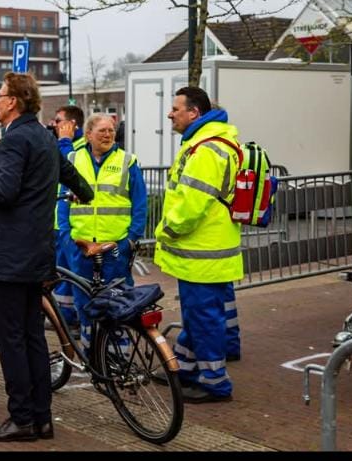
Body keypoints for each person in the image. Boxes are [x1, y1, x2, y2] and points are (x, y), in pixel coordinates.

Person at [0, 72, 94, 443]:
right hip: (40, 253)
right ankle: (42, 418)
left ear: (14, 102)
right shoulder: (45, 137)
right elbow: (83, 189)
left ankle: (21, 419)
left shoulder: (12, 142)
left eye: (0, 95)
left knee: (12, 340)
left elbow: (4, 191)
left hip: (12, 256)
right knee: (32, 337)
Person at [153, 86, 242, 404]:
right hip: (206, 249)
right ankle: (188, 370)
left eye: (176, 108)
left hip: (201, 251)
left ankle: (215, 383)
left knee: (204, 318)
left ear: (194, 113)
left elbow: (193, 202)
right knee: (197, 316)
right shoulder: (210, 142)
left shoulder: (206, 149)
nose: (170, 114)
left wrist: (168, 230)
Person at [65, 114, 147, 350]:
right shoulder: (73, 159)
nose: (108, 134)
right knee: (84, 301)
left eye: (111, 130)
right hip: (81, 247)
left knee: (118, 300)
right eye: (102, 130)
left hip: (115, 248)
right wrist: (68, 239)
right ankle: (91, 352)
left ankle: (119, 354)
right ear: (88, 134)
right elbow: (63, 204)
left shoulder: (127, 161)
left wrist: (130, 241)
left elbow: (140, 204)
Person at [52, 105, 87, 328]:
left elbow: (68, 168)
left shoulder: (78, 148)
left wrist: (64, 141)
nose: (54, 125)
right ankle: (65, 318)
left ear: (71, 125)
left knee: (72, 274)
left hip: (75, 226)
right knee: (62, 275)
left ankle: (74, 320)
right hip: (60, 222)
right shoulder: (68, 146)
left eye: (58, 121)